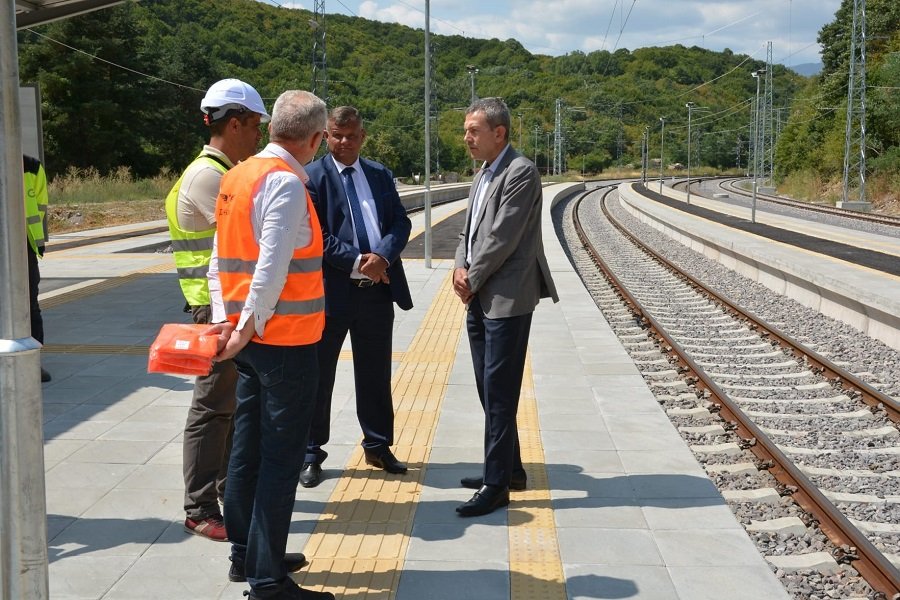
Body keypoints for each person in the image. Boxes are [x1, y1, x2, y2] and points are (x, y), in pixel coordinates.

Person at [206, 89, 334, 600]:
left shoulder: (236, 175)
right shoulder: (283, 182)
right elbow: (271, 269)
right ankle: (268, 581)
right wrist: (244, 330)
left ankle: (247, 554)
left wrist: (226, 325)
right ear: (316, 138)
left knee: (247, 450)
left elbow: (218, 261)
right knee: (280, 459)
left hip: (252, 342)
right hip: (284, 342)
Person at [165, 78, 273, 544]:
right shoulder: (211, 176)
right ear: (234, 123)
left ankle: (229, 490)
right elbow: (243, 243)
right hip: (215, 309)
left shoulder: (219, 170)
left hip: (221, 306)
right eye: (254, 126)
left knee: (225, 407)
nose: (258, 137)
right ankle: (200, 506)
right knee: (212, 408)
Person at [452, 97, 559, 517]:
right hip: (479, 296)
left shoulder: (521, 172)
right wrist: (459, 266)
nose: (467, 138)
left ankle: (496, 485)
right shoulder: (483, 173)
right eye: (466, 130)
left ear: (500, 133)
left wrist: (471, 277)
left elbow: (501, 237)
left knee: (499, 391)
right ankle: (509, 468)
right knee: (486, 386)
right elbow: (469, 229)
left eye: (474, 131)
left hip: (507, 299)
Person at [298, 106, 413, 489]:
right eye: (336, 135)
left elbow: (401, 221)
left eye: (351, 135)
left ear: (363, 135)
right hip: (332, 293)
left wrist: (382, 256)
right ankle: (311, 452)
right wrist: (358, 261)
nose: (344, 142)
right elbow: (316, 234)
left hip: (377, 292)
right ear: (325, 137)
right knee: (319, 374)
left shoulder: (379, 174)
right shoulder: (312, 177)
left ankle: (378, 444)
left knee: (376, 373)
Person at [24, 154, 51, 383]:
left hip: (24, 245)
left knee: (31, 305)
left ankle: (33, 361)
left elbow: (40, 205)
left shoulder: (32, 166)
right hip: (23, 245)